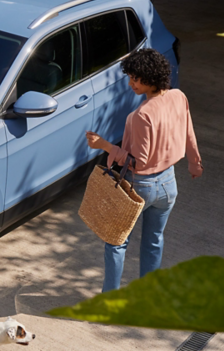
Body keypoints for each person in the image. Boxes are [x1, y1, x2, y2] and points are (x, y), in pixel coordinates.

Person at [85, 49, 202, 292]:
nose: (130, 84)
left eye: (135, 79)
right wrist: (194, 162)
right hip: (169, 185)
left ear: (150, 77)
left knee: (116, 243)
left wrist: (104, 145)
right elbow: (189, 131)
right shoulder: (179, 97)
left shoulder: (141, 115)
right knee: (154, 240)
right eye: (130, 77)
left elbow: (139, 162)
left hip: (140, 187)